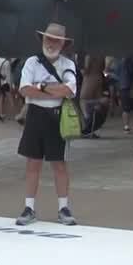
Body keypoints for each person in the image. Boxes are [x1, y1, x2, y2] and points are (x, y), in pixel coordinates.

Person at [13, 23, 79, 226]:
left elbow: (69, 90)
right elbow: (24, 90)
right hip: (35, 115)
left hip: (56, 116)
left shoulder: (68, 64)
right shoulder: (32, 62)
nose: (51, 43)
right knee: (33, 163)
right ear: (42, 40)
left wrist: (40, 87)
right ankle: (29, 207)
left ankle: (63, 208)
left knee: (59, 164)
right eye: (48, 39)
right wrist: (52, 89)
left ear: (63, 44)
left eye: (56, 40)